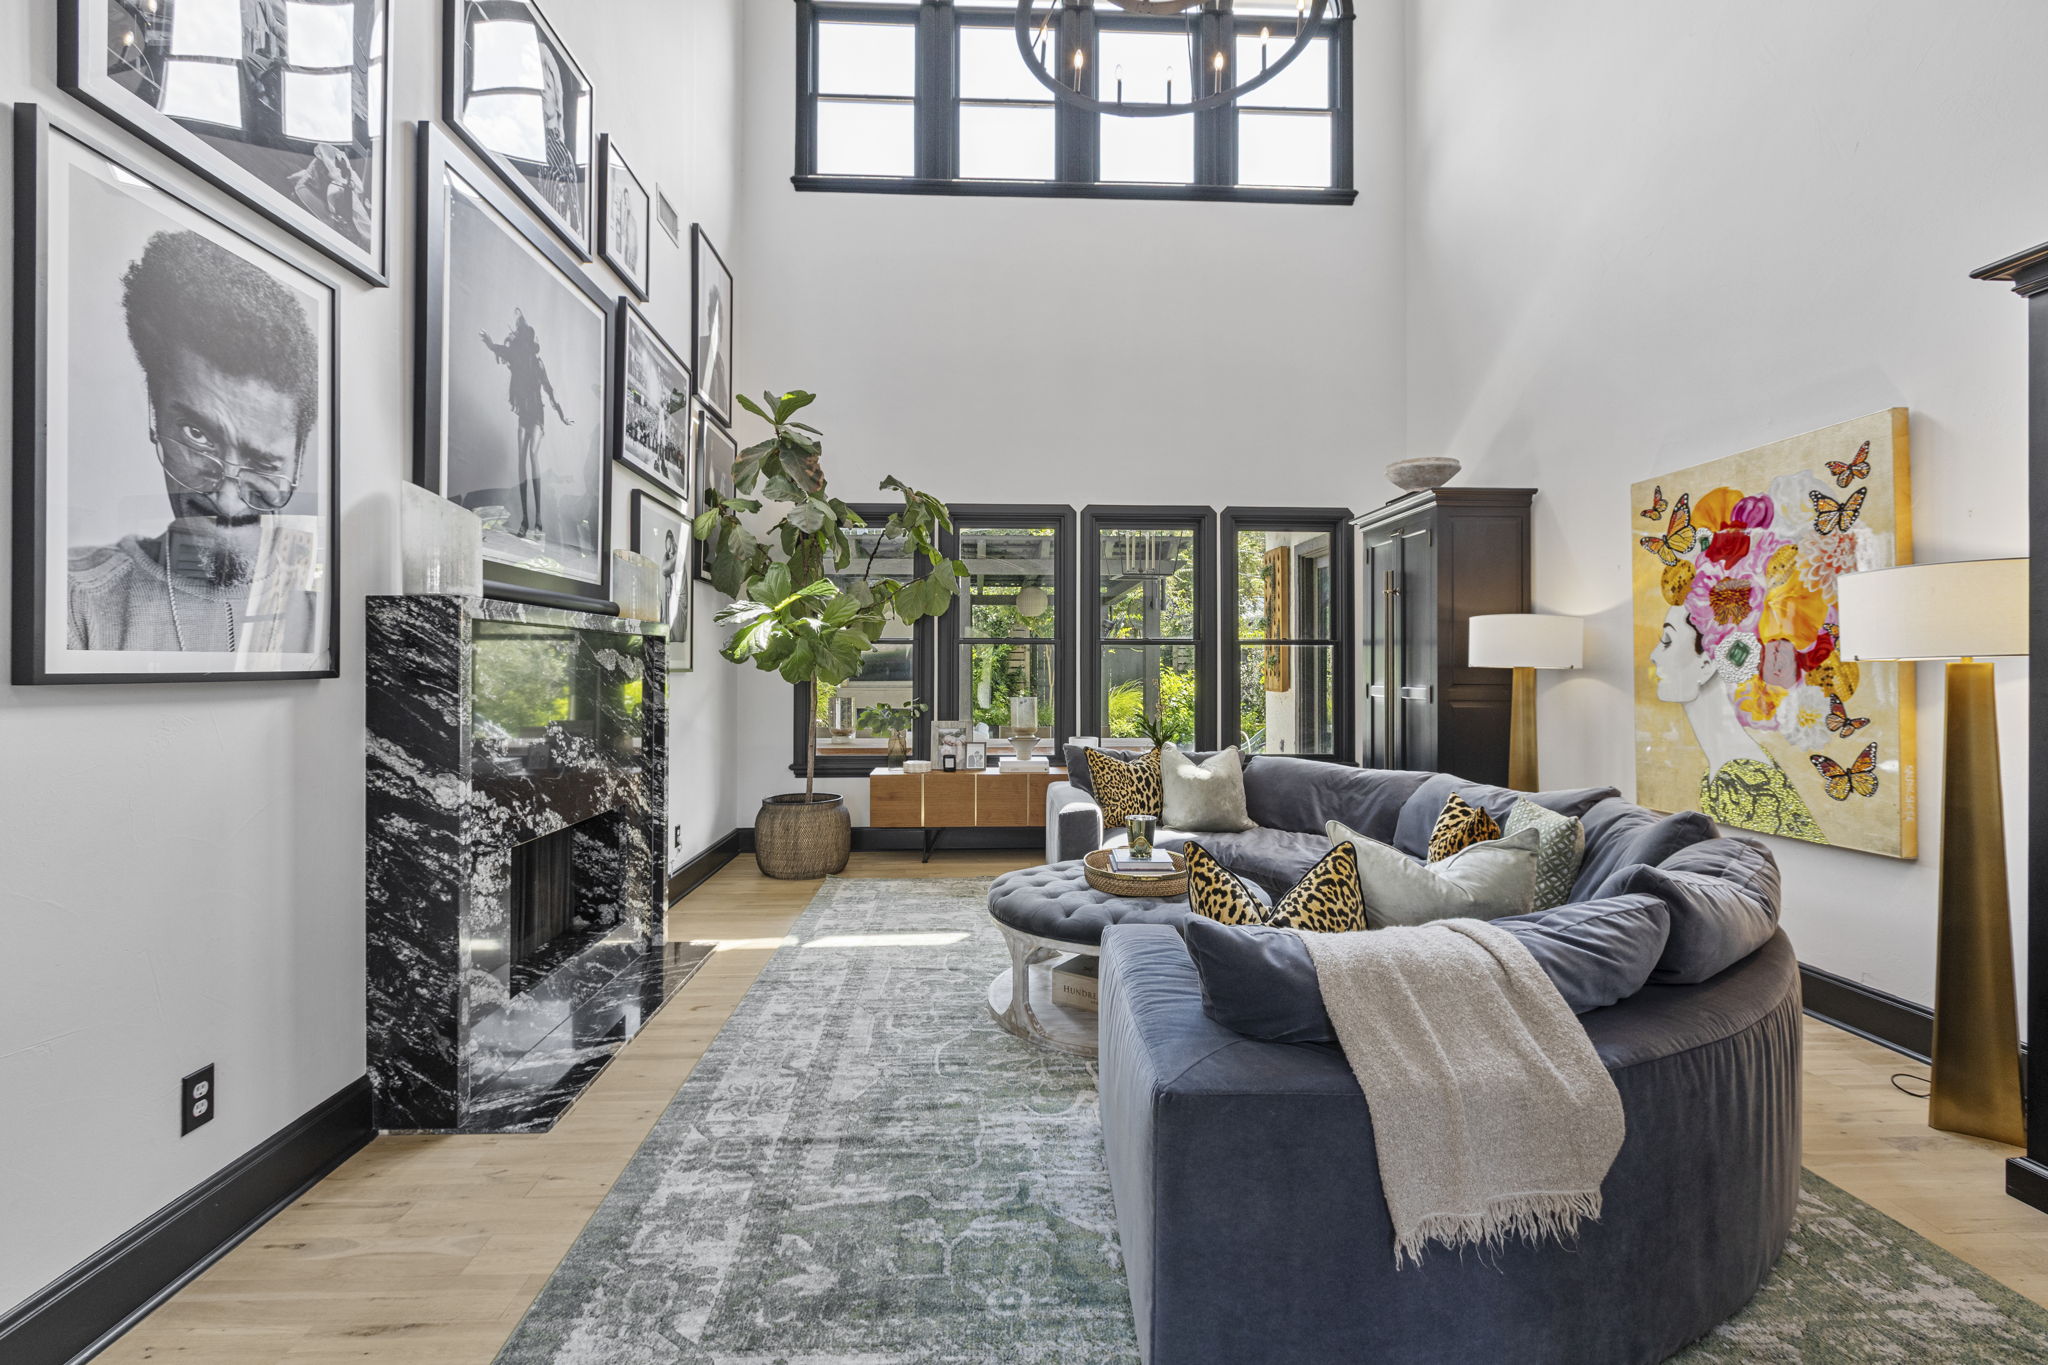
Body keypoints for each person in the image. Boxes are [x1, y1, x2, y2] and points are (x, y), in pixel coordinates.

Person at [68, 229, 322, 654]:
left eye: (263, 462)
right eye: (198, 435)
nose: (226, 500)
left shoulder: (329, 610)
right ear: (155, 411)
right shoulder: (74, 600)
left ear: (297, 458)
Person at [1646, 604, 1824, 843]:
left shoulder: (1740, 779)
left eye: (1667, 641)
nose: (1654, 655)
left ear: (1707, 665)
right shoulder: (1727, 769)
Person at [478, 309, 574, 539]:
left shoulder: (537, 364)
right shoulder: (516, 359)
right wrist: (490, 343)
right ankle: (525, 519)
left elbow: (550, 392)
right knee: (522, 456)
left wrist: (561, 415)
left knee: (532, 454)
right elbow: (499, 349)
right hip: (524, 414)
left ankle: (538, 517)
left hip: (537, 414)